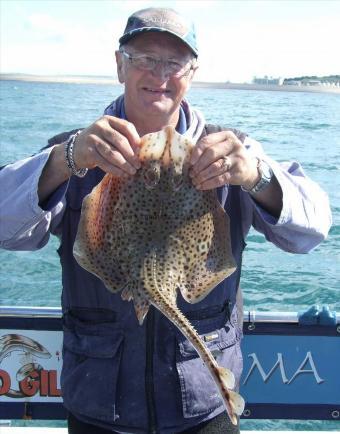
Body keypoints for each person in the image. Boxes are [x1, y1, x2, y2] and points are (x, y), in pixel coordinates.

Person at [0, 7, 332, 434]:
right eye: (144, 58)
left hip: (202, 409)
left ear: (191, 73)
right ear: (119, 65)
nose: (160, 73)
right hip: (100, 411)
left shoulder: (232, 151)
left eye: (174, 62)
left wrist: (256, 176)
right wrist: (66, 160)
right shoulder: (74, 152)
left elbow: (313, 229)